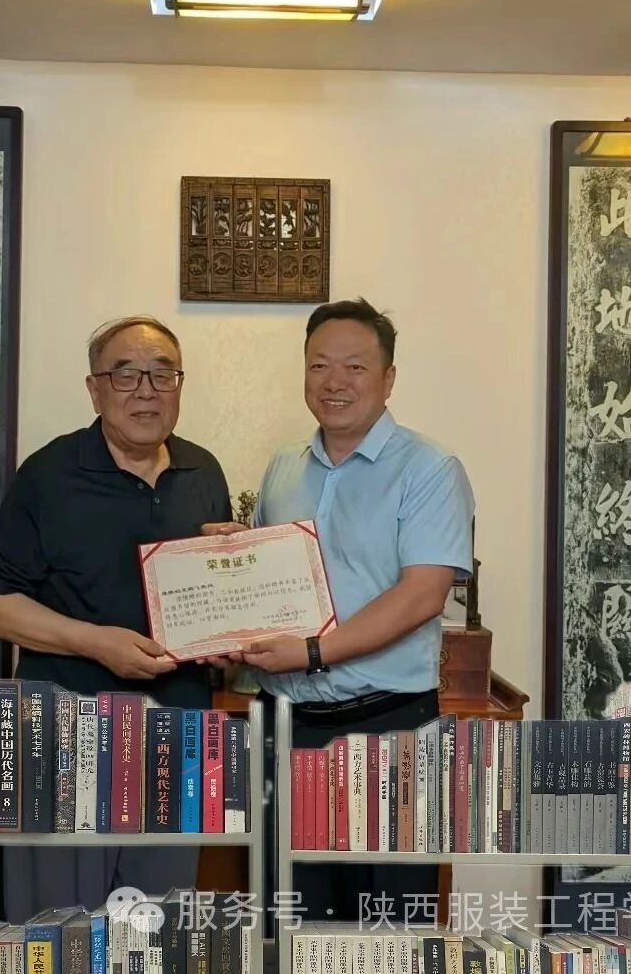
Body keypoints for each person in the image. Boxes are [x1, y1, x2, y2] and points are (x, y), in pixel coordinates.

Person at [211, 298, 474, 927]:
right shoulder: (283, 466)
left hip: (388, 727)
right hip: (284, 726)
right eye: (319, 365)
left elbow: (423, 594)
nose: (335, 381)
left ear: (388, 377)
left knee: (389, 926)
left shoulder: (430, 469)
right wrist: (233, 559)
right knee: (289, 919)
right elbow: (270, 583)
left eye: (355, 367)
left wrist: (312, 651)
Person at [0, 315, 233, 922]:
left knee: (158, 924)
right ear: (95, 390)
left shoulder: (203, 472)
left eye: (163, 374)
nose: (146, 390)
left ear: (179, 385)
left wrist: (231, 614)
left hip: (177, 732)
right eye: (125, 375)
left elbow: (211, 605)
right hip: (66, 727)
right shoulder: (47, 475)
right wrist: (96, 643)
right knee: (58, 925)